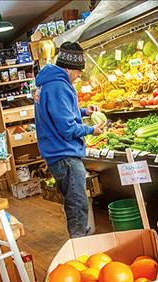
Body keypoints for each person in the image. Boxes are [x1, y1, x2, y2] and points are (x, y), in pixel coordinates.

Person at [34, 41, 103, 238]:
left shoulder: (49, 83)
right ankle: (79, 246)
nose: (80, 75)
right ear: (69, 68)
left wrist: (84, 111)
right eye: (79, 71)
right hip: (64, 154)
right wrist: (91, 129)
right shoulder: (58, 86)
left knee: (74, 201)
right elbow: (66, 128)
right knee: (77, 203)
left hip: (56, 152)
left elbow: (57, 113)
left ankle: (79, 240)